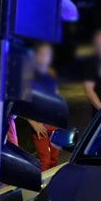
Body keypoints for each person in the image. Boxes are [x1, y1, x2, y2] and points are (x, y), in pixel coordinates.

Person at [26, 43, 61, 172]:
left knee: (54, 160)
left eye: (48, 54)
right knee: (44, 162)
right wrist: (34, 123)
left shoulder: (51, 74)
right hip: (39, 125)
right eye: (42, 54)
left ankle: (53, 187)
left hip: (53, 123)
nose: (45, 57)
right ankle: (42, 189)